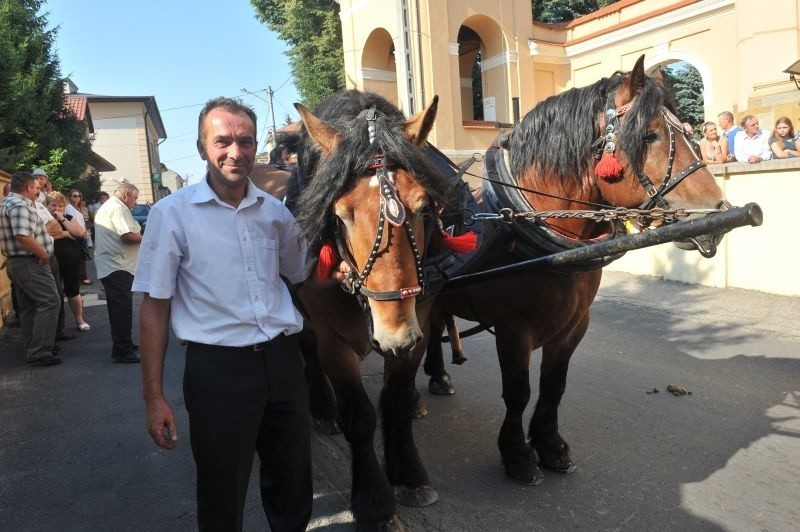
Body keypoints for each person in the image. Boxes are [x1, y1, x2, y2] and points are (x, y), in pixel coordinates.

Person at [133, 97, 313, 532]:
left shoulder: (275, 213)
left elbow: (303, 272)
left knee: (292, 485)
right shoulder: (171, 214)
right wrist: (154, 397)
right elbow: (154, 309)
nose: (236, 152)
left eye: (245, 141)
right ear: (201, 148)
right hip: (218, 370)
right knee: (222, 491)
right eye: (223, 141)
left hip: (284, 362)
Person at [0, 171, 62, 366]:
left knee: (28, 306)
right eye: (35, 187)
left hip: (18, 261)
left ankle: (33, 347)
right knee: (50, 301)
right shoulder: (19, 205)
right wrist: (43, 254)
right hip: (29, 262)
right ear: (27, 187)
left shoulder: (7, 204)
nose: (38, 191)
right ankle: (40, 350)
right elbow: (22, 236)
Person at [94, 183, 142, 363]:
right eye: (135, 198)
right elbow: (127, 235)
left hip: (116, 265)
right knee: (121, 309)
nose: (135, 203)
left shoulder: (113, 206)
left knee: (120, 308)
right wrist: (148, 238)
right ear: (126, 194)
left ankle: (125, 344)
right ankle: (122, 349)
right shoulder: (118, 208)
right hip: (117, 266)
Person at [31, 168, 74, 342]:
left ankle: (57, 332)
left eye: (42, 180)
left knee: (56, 294)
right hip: (38, 256)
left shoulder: (40, 203)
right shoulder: (29, 205)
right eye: (36, 182)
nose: (39, 185)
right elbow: (30, 234)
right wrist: (51, 231)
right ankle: (46, 341)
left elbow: (57, 227)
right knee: (48, 299)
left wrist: (53, 229)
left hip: (49, 254)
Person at [46, 192, 91, 331]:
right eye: (53, 205)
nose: (57, 208)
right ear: (47, 205)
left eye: (60, 206)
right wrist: (65, 234)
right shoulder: (43, 219)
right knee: (54, 293)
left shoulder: (68, 217)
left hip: (71, 258)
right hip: (51, 259)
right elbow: (45, 235)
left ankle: (80, 320)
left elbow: (78, 233)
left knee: (73, 291)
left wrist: (62, 219)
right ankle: (56, 327)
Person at [67, 189, 92, 285]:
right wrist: (81, 233)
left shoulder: (78, 207)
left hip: (83, 234)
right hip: (77, 235)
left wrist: (85, 232)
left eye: (79, 196)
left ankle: (82, 276)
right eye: (74, 196)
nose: (77, 198)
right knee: (80, 257)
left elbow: (82, 222)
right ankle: (82, 276)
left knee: (83, 257)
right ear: (69, 197)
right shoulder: (69, 207)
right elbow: (73, 221)